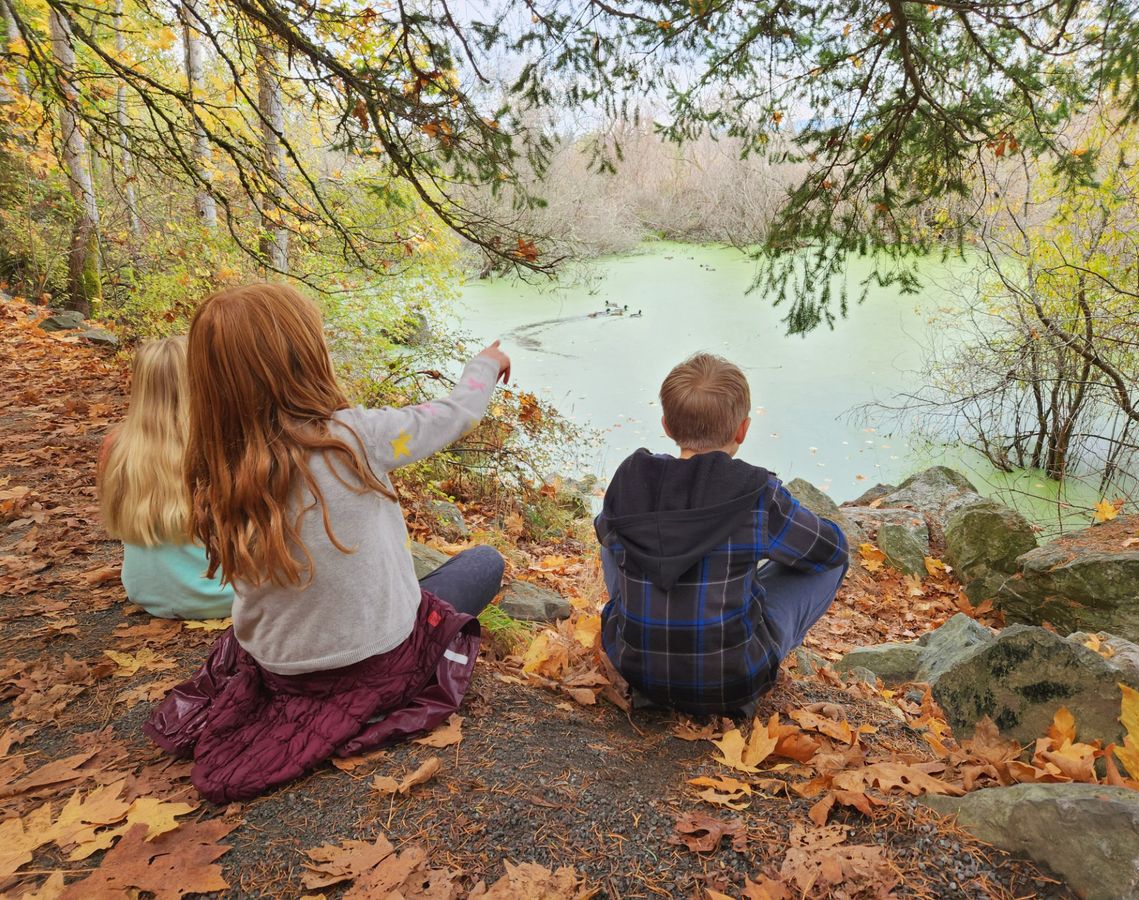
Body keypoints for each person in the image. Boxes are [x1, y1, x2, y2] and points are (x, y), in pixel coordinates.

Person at [145, 283, 510, 803]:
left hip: (281, 668)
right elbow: (454, 414)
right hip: (377, 661)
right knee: (482, 563)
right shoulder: (357, 437)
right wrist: (486, 364)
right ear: (306, 358)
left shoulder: (217, 464)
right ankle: (380, 688)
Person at [595, 352, 849, 717]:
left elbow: (604, 535)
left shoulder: (632, 479)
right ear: (742, 430)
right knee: (829, 563)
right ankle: (739, 663)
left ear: (666, 425)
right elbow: (831, 550)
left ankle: (649, 654)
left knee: (613, 528)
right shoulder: (757, 494)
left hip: (636, 668)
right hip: (735, 681)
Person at [98, 336, 234, 620]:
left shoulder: (116, 446)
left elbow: (117, 523)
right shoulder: (221, 444)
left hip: (149, 594)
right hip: (228, 595)